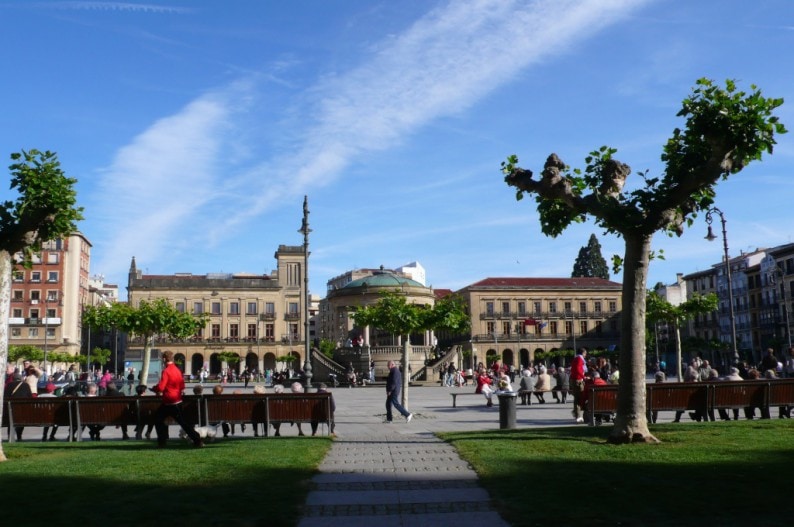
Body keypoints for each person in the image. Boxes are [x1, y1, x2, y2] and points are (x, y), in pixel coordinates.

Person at [152, 350, 204, 448]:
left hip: (169, 401)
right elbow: (182, 386)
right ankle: (197, 440)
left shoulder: (166, 371)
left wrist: (155, 388)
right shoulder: (177, 370)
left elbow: (161, 387)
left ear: (164, 359)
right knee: (183, 423)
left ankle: (162, 441)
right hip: (177, 400)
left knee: (158, 420)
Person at [570, 347, 588, 423]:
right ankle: (578, 415)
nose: (586, 355)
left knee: (578, 397)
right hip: (578, 380)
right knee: (579, 397)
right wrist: (584, 377)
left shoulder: (576, 358)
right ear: (583, 353)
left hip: (575, 379)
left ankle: (577, 413)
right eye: (585, 354)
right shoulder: (579, 359)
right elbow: (578, 369)